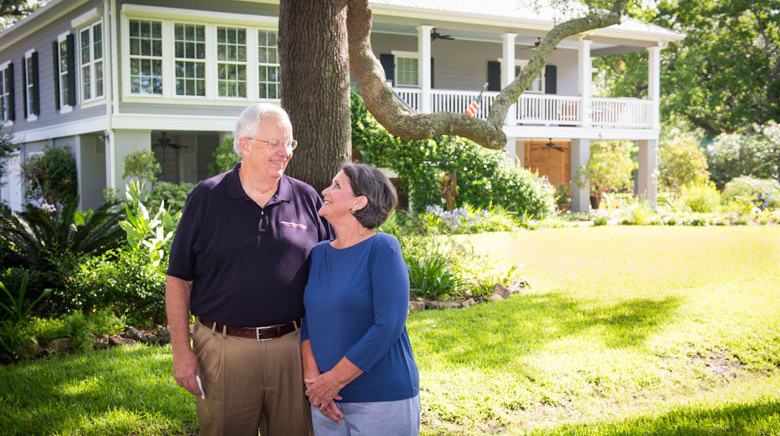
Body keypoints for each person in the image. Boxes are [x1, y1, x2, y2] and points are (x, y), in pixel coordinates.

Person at [166, 103, 331, 436]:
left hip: (292, 348)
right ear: (245, 145)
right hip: (224, 349)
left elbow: (331, 275)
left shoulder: (307, 198)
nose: (284, 152)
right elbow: (178, 278)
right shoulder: (207, 197)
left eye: (289, 143)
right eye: (274, 143)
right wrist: (182, 352)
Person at [301, 163, 420, 436]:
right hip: (325, 400)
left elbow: (388, 325)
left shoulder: (383, 248)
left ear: (359, 201)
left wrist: (333, 380)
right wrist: (315, 381)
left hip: (382, 396)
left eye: (337, 186)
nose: (325, 191)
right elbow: (308, 321)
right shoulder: (319, 254)